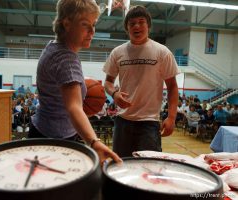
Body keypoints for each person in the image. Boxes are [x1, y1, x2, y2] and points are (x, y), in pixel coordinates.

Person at [28, 0, 121, 164]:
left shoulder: (53, 47)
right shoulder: (67, 59)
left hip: (41, 129)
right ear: (67, 23)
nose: (92, 31)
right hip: (56, 140)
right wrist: (94, 142)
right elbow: (74, 107)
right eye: (86, 25)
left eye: (94, 24)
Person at [103, 5, 179, 157]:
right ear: (127, 28)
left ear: (148, 26)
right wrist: (114, 93)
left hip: (149, 123)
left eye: (141, 22)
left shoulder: (162, 52)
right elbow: (108, 82)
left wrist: (171, 117)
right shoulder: (117, 52)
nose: (136, 26)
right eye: (132, 23)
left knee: (149, 169)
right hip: (122, 120)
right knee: (120, 166)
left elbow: (172, 87)